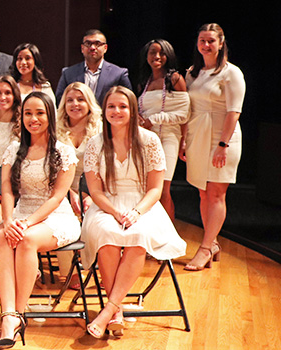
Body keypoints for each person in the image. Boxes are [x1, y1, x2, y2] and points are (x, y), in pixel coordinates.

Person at [80, 86, 186, 338]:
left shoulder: (150, 140)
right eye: (111, 107)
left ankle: (108, 311)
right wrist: (116, 213)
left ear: (132, 110)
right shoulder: (95, 144)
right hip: (106, 204)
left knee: (138, 235)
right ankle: (116, 311)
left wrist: (136, 212)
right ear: (104, 111)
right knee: (107, 235)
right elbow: (95, 192)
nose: (116, 111)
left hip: (144, 205)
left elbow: (155, 190)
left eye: (122, 106)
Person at [0, 92, 80, 349]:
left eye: (39, 113)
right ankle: (8, 316)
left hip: (56, 216)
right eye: (28, 113)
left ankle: (17, 315)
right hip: (20, 213)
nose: (33, 118)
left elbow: (56, 198)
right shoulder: (14, 149)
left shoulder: (63, 151)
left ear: (50, 116)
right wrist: (8, 221)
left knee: (26, 240)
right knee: (2, 236)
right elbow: (6, 190)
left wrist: (26, 223)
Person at [182, 23, 245, 271]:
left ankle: (205, 248)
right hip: (198, 135)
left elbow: (234, 111)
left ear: (221, 43)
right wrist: (185, 139)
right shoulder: (192, 73)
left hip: (222, 138)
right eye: (202, 40)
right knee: (202, 192)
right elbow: (188, 109)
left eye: (211, 41)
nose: (206, 45)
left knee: (217, 194)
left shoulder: (231, 73)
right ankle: (213, 242)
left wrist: (223, 144)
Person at [53, 82, 102, 288]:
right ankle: (70, 271)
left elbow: (105, 169)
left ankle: (92, 265)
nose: (75, 104)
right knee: (62, 212)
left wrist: (88, 194)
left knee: (93, 210)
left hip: (94, 188)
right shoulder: (55, 130)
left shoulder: (100, 130)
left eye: (81, 99)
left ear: (89, 103)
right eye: (70, 100)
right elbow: (51, 169)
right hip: (59, 188)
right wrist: (69, 193)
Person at [136, 39, 189, 222]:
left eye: (161, 53)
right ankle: (150, 235)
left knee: (163, 189)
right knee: (147, 188)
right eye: (152, 52)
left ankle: (167, 241)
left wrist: (184, 141)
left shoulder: (175, 79)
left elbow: (184, 114)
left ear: (168, 55)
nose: (156, 56)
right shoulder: (145, 81)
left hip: (168, 137)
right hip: (146, 139)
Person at [55, 29, 131, 105]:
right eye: (88, 43)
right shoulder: (68, 73)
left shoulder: (118, 74)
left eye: (97, 43)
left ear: (105, 48)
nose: (92, 47)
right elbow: (60, 101)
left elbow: (129, 101)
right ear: (82, 48)